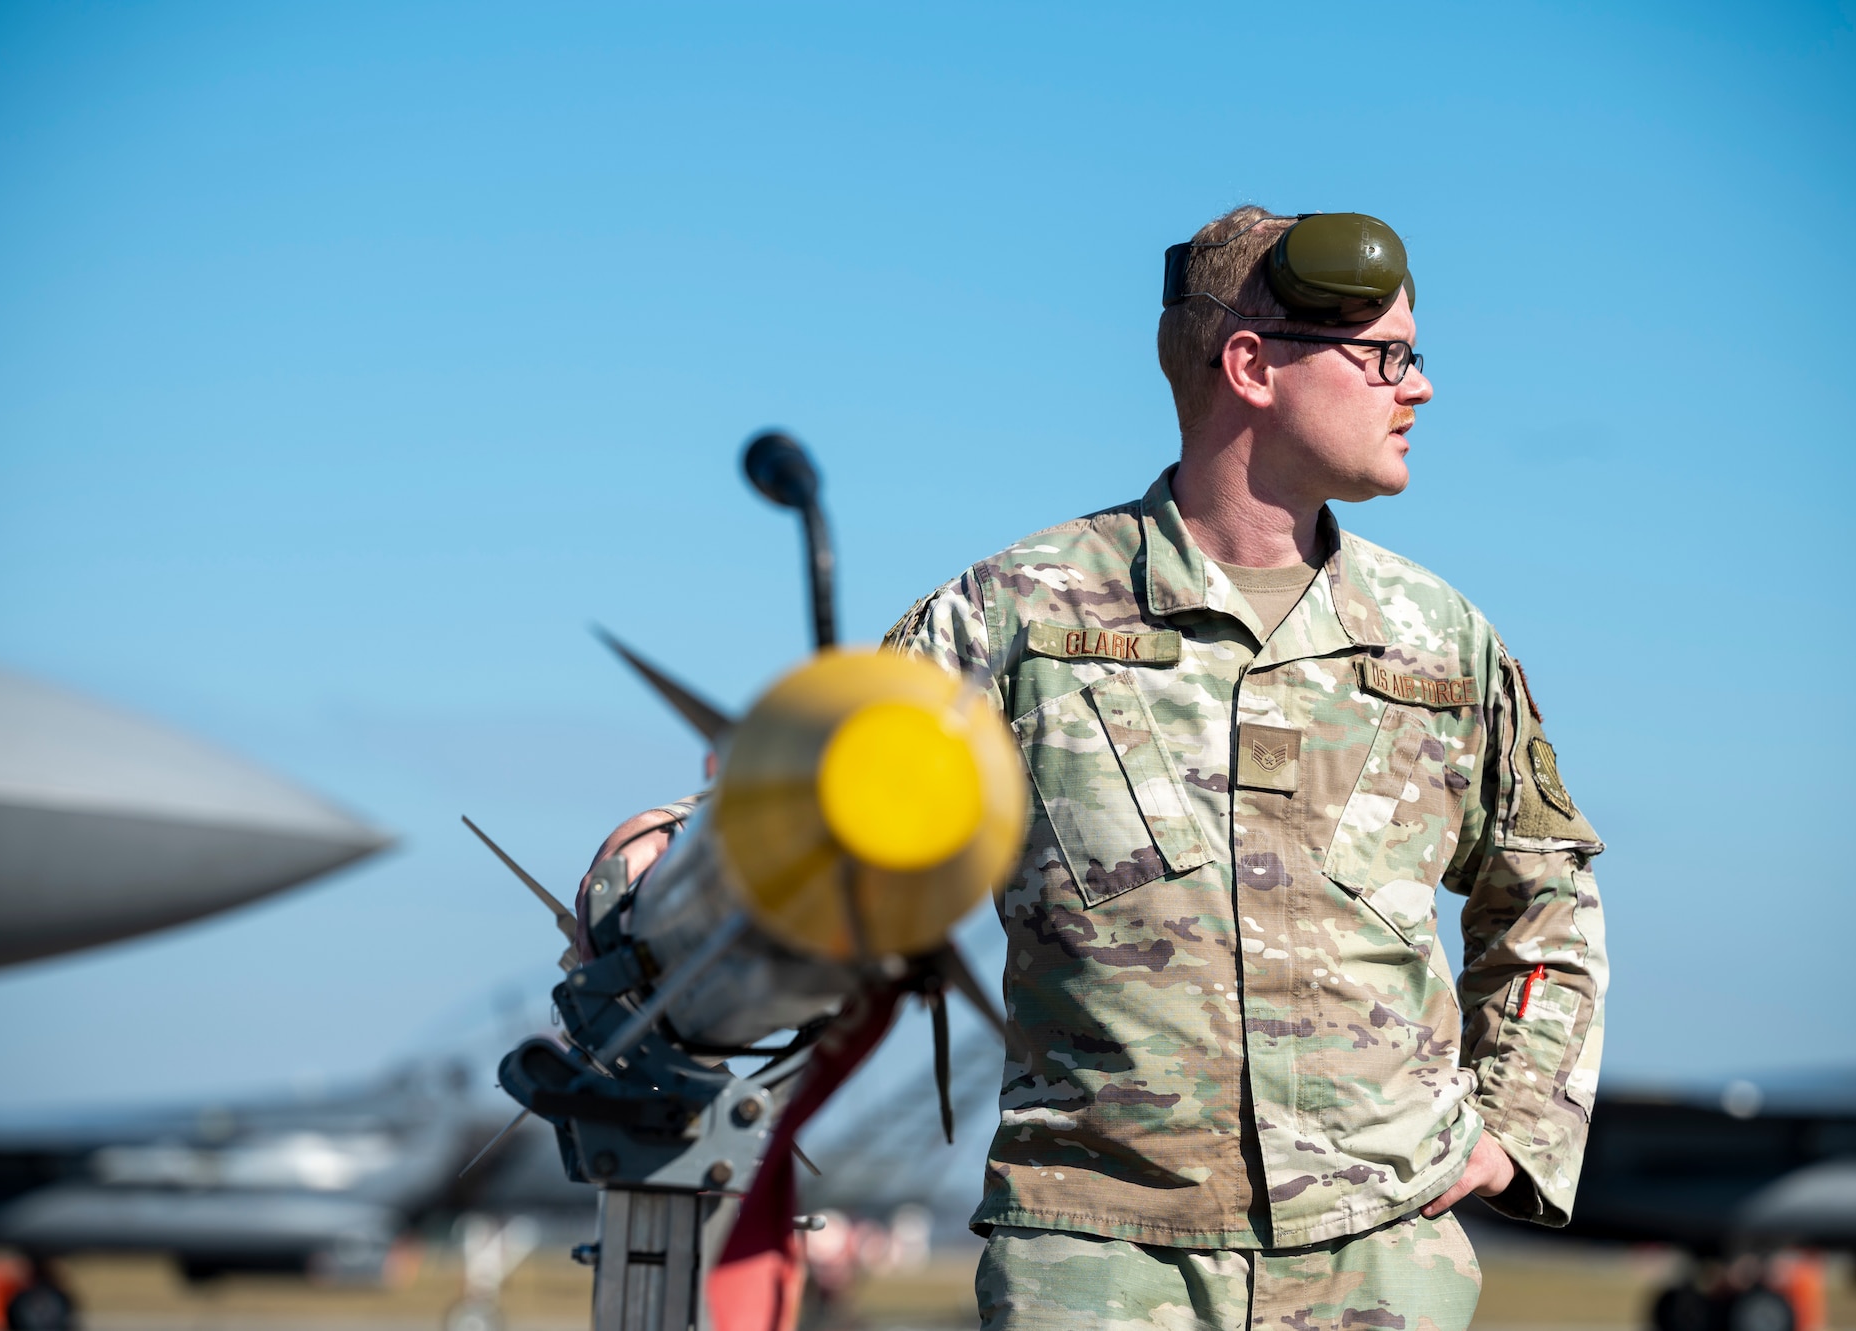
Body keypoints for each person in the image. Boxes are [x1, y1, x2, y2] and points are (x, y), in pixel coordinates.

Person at [595, 205, 1608, 1331]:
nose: (1414, 388)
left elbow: (1546, 886)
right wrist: (647, 862)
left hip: (1379, 1265)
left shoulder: (1441, 639)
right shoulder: (1014, 616)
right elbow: (823, 794)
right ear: (1250, 366)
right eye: (1382, 357)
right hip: (1100, 1263)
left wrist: (1509, 1123)